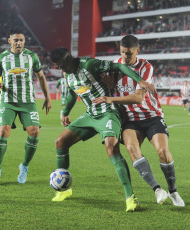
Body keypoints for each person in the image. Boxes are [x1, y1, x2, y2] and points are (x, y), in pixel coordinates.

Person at [50, 47, 154, 212]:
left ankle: (130, 197)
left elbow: (119, 67)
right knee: (60, 142)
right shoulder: (67, 74)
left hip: (109, 112)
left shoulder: (90, 65)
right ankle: (65, 190)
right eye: (59, 66)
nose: (61, 69)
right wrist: (65, 112)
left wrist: (139, 80)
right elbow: (72, 93)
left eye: (63, 65)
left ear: (69, 58)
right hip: (91, 115)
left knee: (111, 148)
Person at [92, 35, 185, 207]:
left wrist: (112, 98)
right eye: (122, 52)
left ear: (137, 51)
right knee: (132, 149)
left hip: (151, 115)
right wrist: (111, 87)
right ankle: (157, 190)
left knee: (163, 152)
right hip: (130, 120)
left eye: (129, 53)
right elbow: (108, 86)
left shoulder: (146, 67)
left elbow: (137, 98)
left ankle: (173, 192)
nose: (125, 57)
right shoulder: (115, 65)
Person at [0, 28, 52, 184]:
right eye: (16, 40)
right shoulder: (1, 58)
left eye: (21, 40)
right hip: (8, 100)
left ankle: (24, 166)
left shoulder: (32, 57)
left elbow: (41, 77)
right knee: (4, 130)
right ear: (9, 41)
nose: (19, 43)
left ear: (24, 41)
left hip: (27, 101)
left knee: (35, 132)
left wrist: (48, 97)